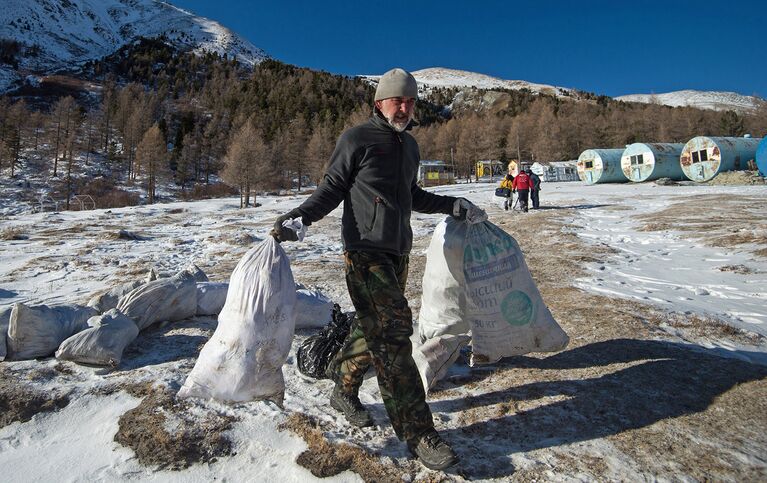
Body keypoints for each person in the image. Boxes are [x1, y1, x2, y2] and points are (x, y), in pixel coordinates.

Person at [271, 67, 486, 471]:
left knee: (374, 329)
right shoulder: (357, 139)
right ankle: (418, 431)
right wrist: (301, 217)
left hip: (397, 254)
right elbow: (332, 187)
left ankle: (344, 389)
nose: (404, 107)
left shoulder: (411, 147)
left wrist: (452, 204)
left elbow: (412, 195)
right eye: (396, 100)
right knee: (393, 336)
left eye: (410, 101)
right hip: (364, 252)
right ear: (379, 102)